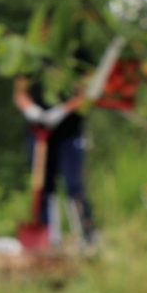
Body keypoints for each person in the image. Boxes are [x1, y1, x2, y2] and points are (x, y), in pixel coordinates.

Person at [14, 66, 96, 247]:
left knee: (74, 185)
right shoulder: (31, 55)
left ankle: (87, 237)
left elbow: (88, 92)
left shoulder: (76, 51)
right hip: (40, 132)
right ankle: (49, 239)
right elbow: (20, 92)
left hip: (69, 132)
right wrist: (31, 110)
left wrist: (63, 110)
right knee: (43, 186)